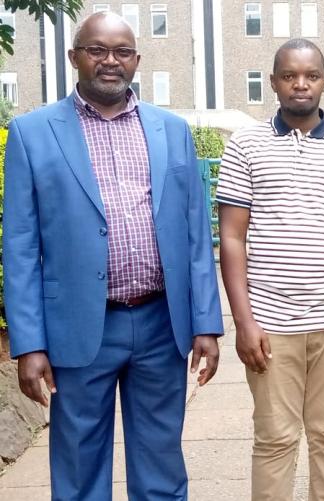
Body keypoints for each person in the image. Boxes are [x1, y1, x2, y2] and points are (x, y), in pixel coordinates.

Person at [2, 12, 223, 500]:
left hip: (161, 326)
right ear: (73, 56)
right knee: (79, 471)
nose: (110, 61)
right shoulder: (33, 133)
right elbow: (20, 247)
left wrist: (206, 323)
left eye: (122, 51)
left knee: (162, 467)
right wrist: (28, 344)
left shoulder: (172, 130)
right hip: (77, 329)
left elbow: (193, 237)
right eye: (97, 49)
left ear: (137, 61)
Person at [217, 39, 324, 501]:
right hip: (270, 323)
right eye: (289, 76)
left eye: (311, 75)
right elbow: (232, 236)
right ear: (274, 83)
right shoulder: (245, 146)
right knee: (274, 440)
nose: (300, 84)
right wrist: (244, 322)